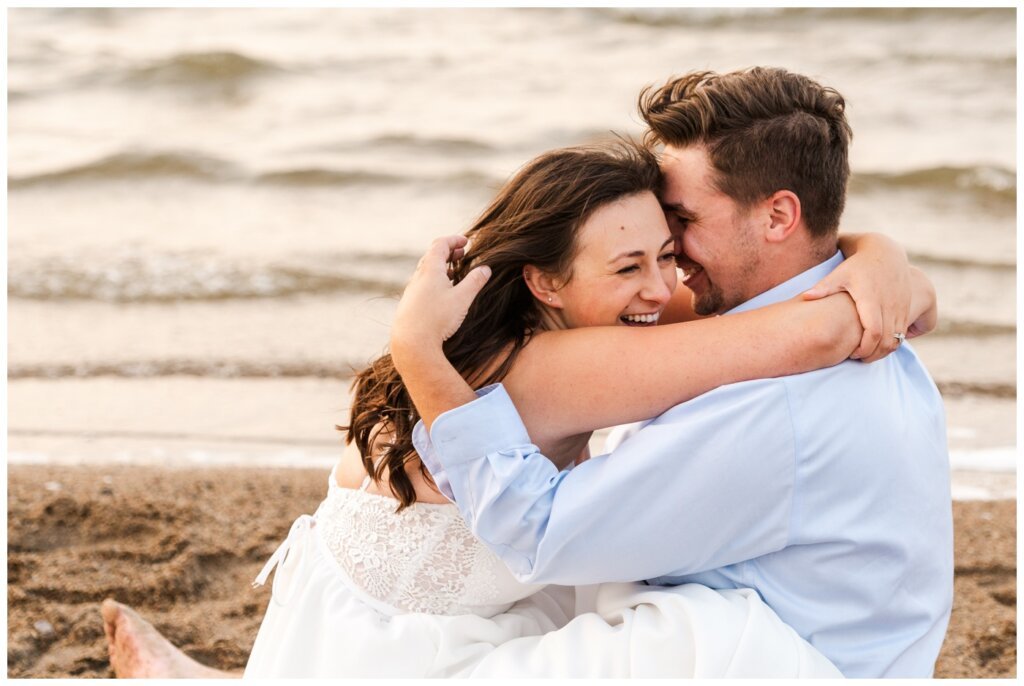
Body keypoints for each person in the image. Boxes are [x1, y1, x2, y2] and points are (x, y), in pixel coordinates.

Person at [103, 144, 932, 676]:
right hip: (394, 652)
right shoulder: (563, 363)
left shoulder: (571, 317)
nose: (665, 288)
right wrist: (863, 281)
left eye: (670, 252)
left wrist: (872, 250)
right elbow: (816, 333)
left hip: (355, 611)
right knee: (696, 630)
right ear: (545, 281)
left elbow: (810, 308)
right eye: (631, 265)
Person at [389, 67, 953, 679]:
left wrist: (416, 348)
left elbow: (539, 533)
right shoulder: (856, 317)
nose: (670, 250)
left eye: (682, 219)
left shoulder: (776, 404)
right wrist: (875, 251)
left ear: (779, 217)